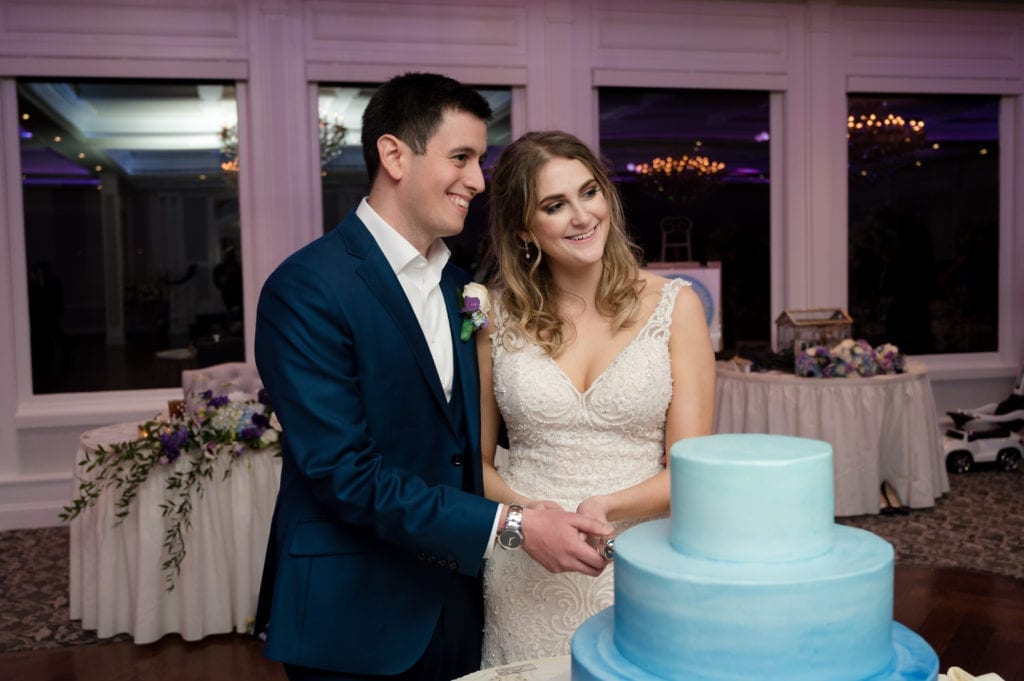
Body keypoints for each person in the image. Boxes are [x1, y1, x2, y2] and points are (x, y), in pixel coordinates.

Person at [253, 74, 613, 681]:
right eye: (461, 158)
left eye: (480, 160)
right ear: (394, 154)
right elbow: (342, 471)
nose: (478, 180)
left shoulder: (463, 287)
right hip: (356, 613)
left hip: (463, 603)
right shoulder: (307, 288)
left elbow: (463, 446)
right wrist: (515, 525)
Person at [476, 131, 717, 665]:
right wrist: (533, 515)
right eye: (555, 205)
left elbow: (690, 469)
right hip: (526, 566)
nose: (582, 216)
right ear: (523, 228)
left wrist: (603, 506)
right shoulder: (493, 317)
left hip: (637, 561)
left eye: (589, 192)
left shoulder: (676, 307)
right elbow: (474, 461)